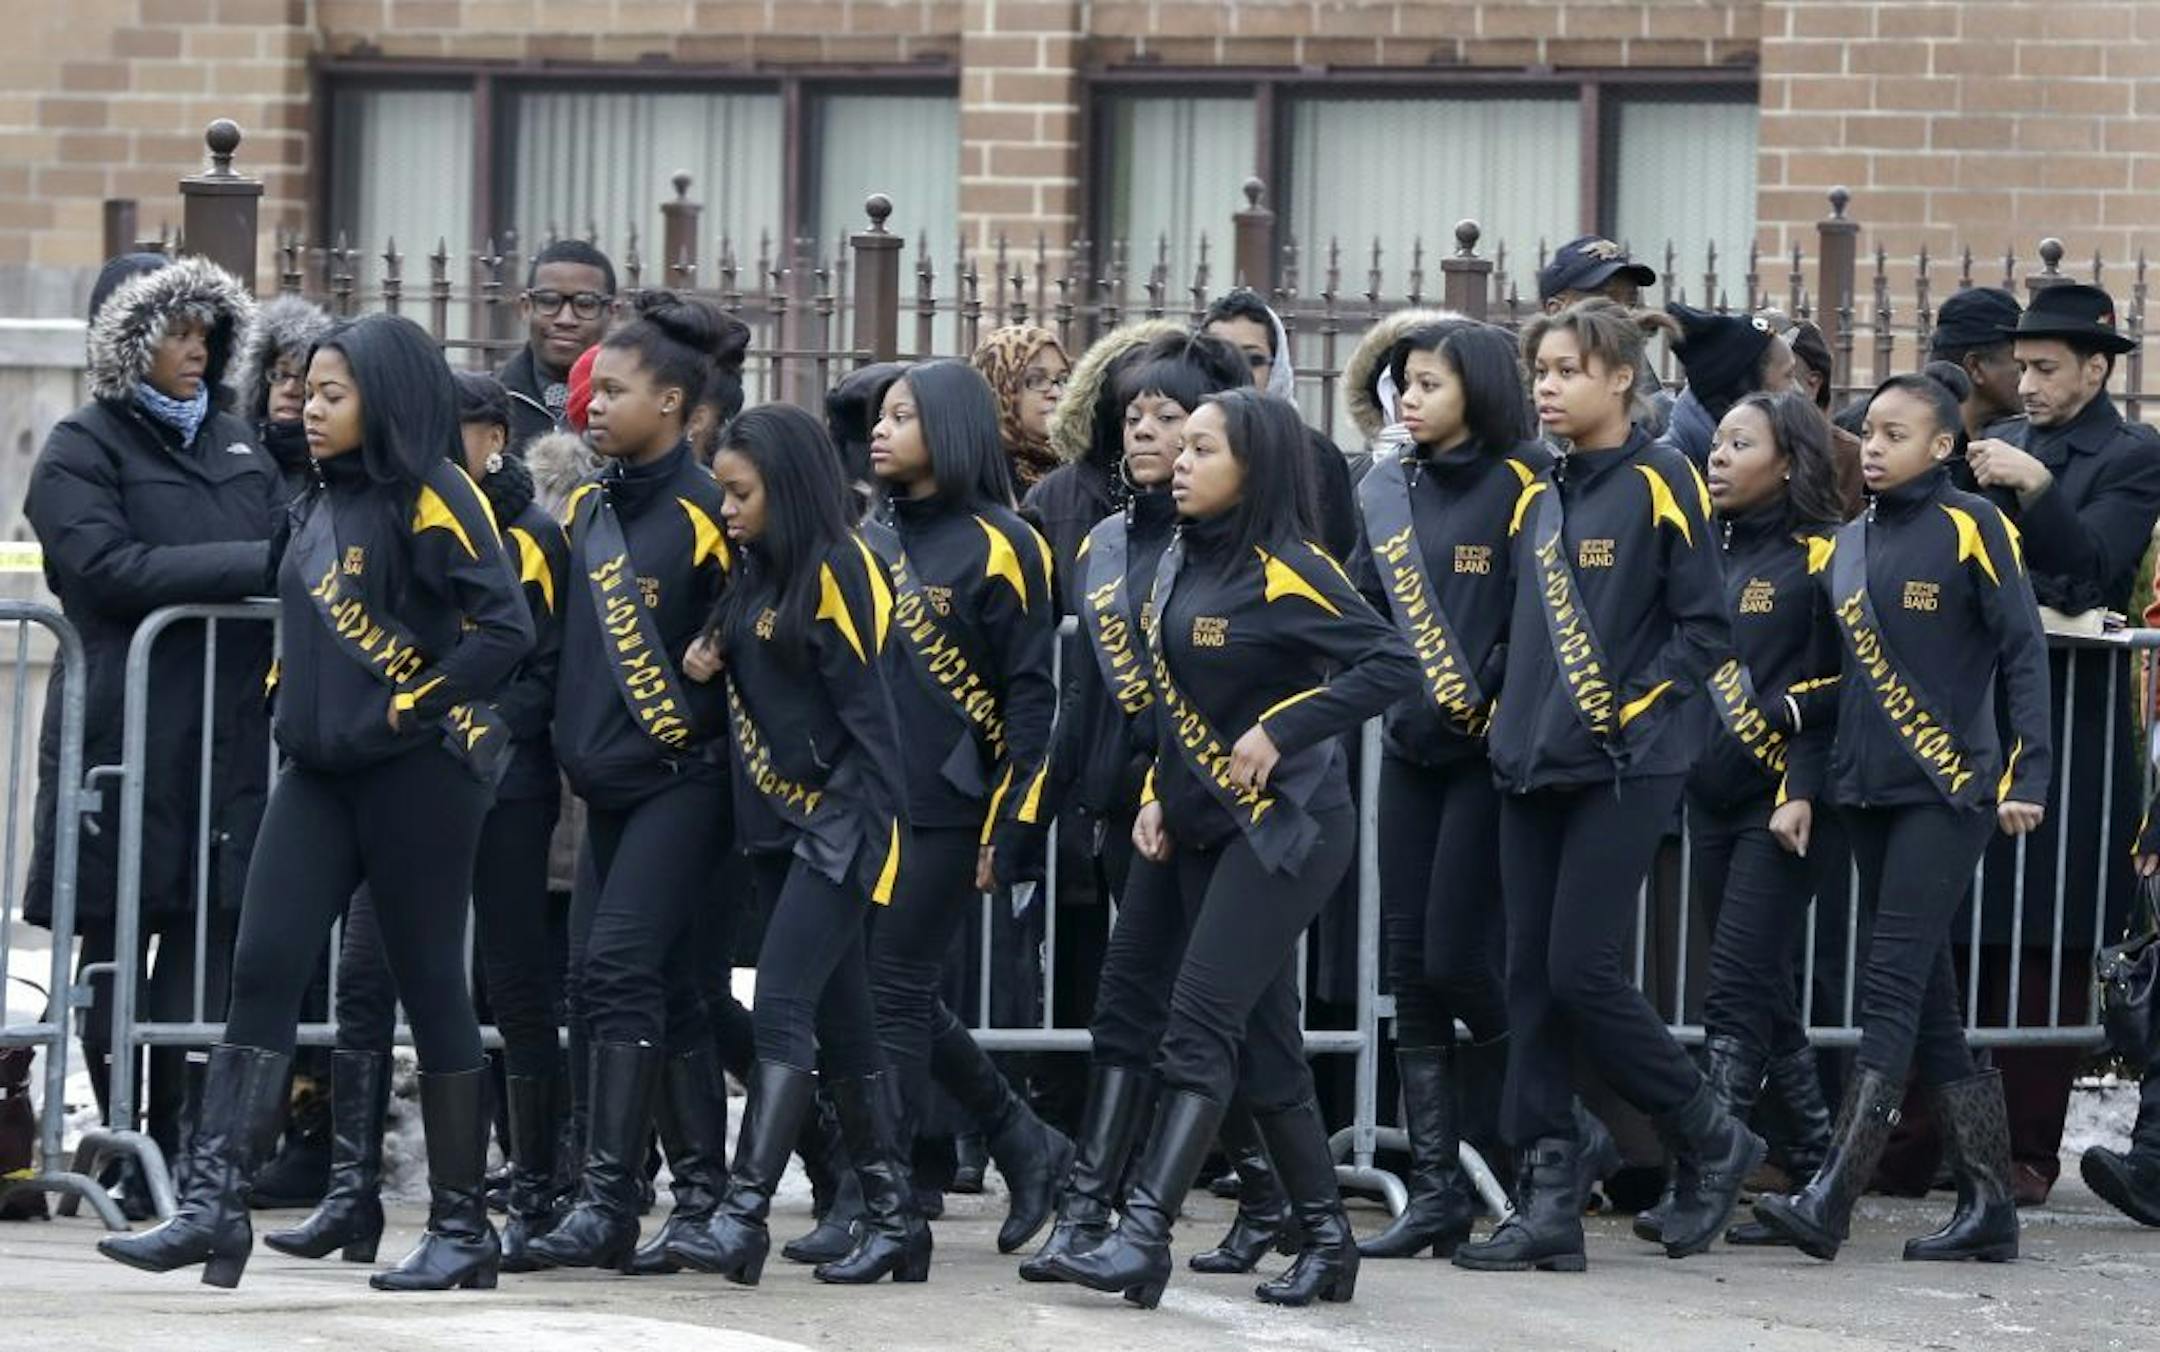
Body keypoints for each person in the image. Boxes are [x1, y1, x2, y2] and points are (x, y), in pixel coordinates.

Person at [96, 312, 534, 1291]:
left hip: (418, 773)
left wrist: (412, 705)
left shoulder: (436, 494)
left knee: (428, 981)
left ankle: (465, 1227)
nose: (309, 406)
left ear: (388, 399)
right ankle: (213, 1207)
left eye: (333, 393)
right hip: (317, 772)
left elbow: (502, 628)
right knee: (260, 964)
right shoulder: (311, 497)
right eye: (305, 389)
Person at [1041, 387, 1417, 1309]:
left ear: (1253, 467)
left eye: (1202, 448)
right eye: (1182, 447)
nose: (1179, 460)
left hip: (1286, 827)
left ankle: (1142, 1237)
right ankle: (1329, 1241)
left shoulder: (1290, 566)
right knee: (1248, 1040)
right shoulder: (1173, 557)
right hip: (1198, 819)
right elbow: (1174, 697)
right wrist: (1162, 799)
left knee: (1200, 1020)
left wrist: (1286, 729)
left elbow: (1392, 663)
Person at [1454, 299, 1759, 1274]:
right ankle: (1549, 1198)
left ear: (1621, 378)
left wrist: (1630, 708)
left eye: (1566, 369)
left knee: (1582, 967)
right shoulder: (1538, 492)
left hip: (1628, 764)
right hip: (1530, 762)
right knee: (1530, 981)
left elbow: (1706, 626)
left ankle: (1709, 1130)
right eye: (1538, 369)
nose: (1545, 385)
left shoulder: (1663, 478)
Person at [259, 372, 573, 1273]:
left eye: (469, 433)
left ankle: (529, 1190)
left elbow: (532, 660)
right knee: (366, 980)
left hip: (493, 779)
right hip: (396, 769)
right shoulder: (369, 505)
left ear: (494, 441)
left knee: (506, 987)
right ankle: (352, 1194)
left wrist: (464, 721)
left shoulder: (527, 534)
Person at [1750, 369, 2052, 1263]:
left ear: (1942, 446)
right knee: (1927, 1001)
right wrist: (1802, 783)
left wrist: (2027, 771)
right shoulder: (1843, 547)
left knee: (1889, 985)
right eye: (1867, 434)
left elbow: (2023, 649)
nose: (1872, 449)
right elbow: (1827, 681)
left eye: (1893, 434)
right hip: (1862, 788)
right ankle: (1991, 1204)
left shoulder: (1975, 524)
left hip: (1949, 790)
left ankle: (1832, 1196)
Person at [25, 253, 280, 1222]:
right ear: (125, 343)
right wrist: (255, 564)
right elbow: (105, 565)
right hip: (123, 732)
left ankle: (180, 1137)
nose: (197, 349)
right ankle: (126, 1131)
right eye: (175, 331)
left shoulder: (239, 442)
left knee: (206, 936)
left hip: (226, 735)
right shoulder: (79, 446)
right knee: (116, 939)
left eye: (207, 332)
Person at [1018, 333, 1268, 1283]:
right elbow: (1084, 682)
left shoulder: (1239, 543)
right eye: (1136, 416)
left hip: (1228, 816)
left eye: (1172, 416)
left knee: (1234, 1020)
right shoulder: (1107, 540)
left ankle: (1277, 1202)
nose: (1151, 432)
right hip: (1133, 809)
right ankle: (1089, 1213)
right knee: (1128, 1007)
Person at [670, 403, 922, 1286]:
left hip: (840, 829)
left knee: (780, 1005)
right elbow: (755, 662)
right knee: (846, 1029)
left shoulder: (840, 567)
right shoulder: (758, 572)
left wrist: (848, 831)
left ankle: (743, 1216)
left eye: (740, 493)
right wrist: (710, 648)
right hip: (776, 833)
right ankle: (896, 1219)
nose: (726, 508)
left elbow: (874, 724)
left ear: (789, 486)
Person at [526, 293, 743, 1275]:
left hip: (682, 783)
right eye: (591, 390)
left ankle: (612, 1198)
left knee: (621, 972)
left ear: (671, 402)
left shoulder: (709, 514)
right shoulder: (586, 509)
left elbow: (773, 613)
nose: (592, 405)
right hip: (604, 787)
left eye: (614, 390)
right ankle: (693, 1195)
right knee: (629, 985)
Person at [1337, 313, 1547, 1260]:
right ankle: (1434, 1191)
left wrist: (1488, 686)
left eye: (1427, 384)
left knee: (1461, 958)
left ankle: (1550, 1147)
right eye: (1403, 386)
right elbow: (1358, 605)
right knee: (1409, 967)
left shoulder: (1523, 484)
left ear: (1480, 391)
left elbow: (1538, 613)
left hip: (1490, 756)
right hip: (1414, 751)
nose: (1408, 400)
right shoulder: (1387, 488)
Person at [858, 360, 1072, 1255]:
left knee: (895, 991)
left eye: (901, 416)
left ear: (947, 429)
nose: (880, 430)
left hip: (950, 806)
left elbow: (1033, 698)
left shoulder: (1006, 542)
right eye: (880, 416)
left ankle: (894, 1200)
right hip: (867, 800)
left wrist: (1014, 819)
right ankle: (1024, 1143)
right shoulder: (869, 535)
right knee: (884, 992)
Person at [1631, 392, 1845, 1251]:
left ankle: (1704, 1175)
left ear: (1789, 462)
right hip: (1709, 798)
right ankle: (1821, 1163)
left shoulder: (1827, 555)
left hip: (1785, 800)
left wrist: (1794, 760)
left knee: (1732, 988)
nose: (1716, 457)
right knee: (1765, 992)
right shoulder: (1703, 555)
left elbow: (1850, 684)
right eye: (1715, 442)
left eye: (1740, 444)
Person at [1961, 283, 2160, 1205]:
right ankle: (1938, 1137)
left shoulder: (2130, 452)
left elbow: (2092, 570)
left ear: (2097, 366)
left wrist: (2036, 492)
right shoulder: (2007, 442)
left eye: (2046, 368)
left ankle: (2028, 1144)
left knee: (2048, 928)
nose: (2027, 385)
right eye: (2020, 367)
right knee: (1964, 923)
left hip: (2072, 720)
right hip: (1986, 705)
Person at [1200, 289, 1358, 560]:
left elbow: (1336, 559)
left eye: (1253, 359)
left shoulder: (1315, 454)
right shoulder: (1177, 442)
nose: (1237, 370)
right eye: (1220, 358)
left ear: (1278, 366)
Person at [1535, 237, 1669, 436]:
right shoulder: (1509, 392)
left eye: (1631, 302)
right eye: (1605, 301)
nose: (1624, 313)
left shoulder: (1654, 407)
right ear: (1556, 310)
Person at [500, 239, 617, 454]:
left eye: (585, 304)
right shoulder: (492, 402)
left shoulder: (631, 408)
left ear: (611, 313)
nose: (565, 319)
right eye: (549, 301)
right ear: (526, 308)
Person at [1660, 304, 1799, 469]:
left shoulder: (1768, 465)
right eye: (1788, 375)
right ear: (1744, 387)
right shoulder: (1662, 475)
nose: (1798, 390)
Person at [232, 294, 336, 502]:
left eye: (303, 377)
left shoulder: (332, 469)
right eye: (280, 374)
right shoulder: (234, 451)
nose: (290, 389)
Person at [972, 324, 1071, 494]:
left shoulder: (1079, 470)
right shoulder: (976, 475)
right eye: (1036, 379)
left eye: (1063, 379)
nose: (1056, 392)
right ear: (1000, 388)